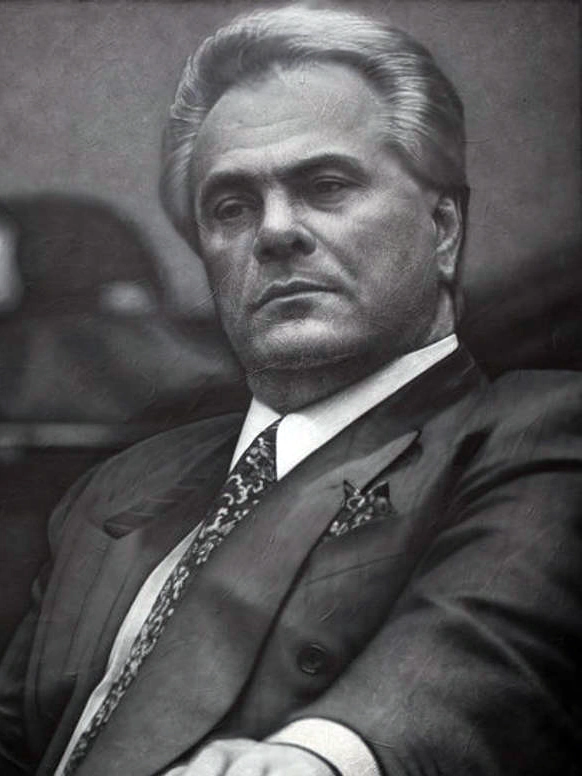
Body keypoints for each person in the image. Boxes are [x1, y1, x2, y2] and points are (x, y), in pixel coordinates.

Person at [1, 5, 581, 775]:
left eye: (327, 185)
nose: (274, 231)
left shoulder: (535, 431)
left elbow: (478, 646)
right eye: (232, 207)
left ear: (442, 229)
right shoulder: (119, 487)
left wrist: (319, 757)